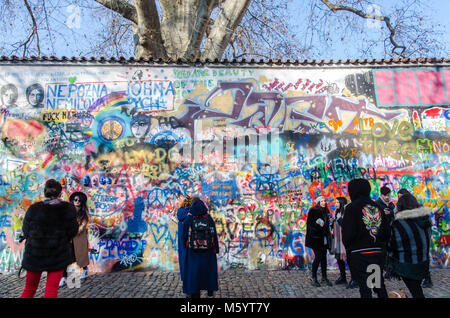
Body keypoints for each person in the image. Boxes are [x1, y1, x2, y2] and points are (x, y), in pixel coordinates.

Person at [19, 179, 78, 298]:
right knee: (51, 292)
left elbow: (26, 231)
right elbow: (73, 231)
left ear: (44, 192)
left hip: (34, 255)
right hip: (57, 255)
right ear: (60, 193)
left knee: (29, 290)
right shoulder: (68, 209)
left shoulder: (33, 209)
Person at [342, 178, 390, 298]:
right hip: (377, 253)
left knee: (365, 288)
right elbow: (386, 232)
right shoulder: (377, 206)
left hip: (359, 254)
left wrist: (349, 248)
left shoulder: (351, 208)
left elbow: (348, 234)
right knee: (378, 285)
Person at [387, 190, 432, 298]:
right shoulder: (426, 220)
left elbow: (392, 244)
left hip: (408, 265)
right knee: (417, 290)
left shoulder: (399, 224)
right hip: (423, 263)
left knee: (417, 292)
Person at [182, 198, 219, 298]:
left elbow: (183, 236)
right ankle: (210, 293)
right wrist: (216, 249)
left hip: (192, 252)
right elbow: (214, 234)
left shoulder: (189, 219)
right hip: (208, 252)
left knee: (194, 272)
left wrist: (186, 246)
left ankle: (194, 293)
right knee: (209, 272)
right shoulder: (209, 218)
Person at [60, 192, 91, 286]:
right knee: (65, 258)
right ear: (72, 201)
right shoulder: (68, 212)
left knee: (81, 256)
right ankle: (64, 277)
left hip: (79, 237)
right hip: (68, 238)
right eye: (75, 200)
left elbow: (83, 225)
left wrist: (75, 231)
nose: (77, 202)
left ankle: (85, 270)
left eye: (79, 200)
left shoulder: (83, 213)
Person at [305, 196, 333, 287]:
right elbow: (309, 224)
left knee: (323, 257)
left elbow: (327, 225)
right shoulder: (313, 210)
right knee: (318, 257)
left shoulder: (326, 211)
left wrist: (331, 222)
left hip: (324, 238)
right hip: (315, 238)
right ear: (317, 202)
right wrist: (317, 225)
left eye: (324, 201)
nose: (324, 202)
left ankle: (324, 277)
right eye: (321, 201)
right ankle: (314, 277)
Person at [375, 185, 396, 280]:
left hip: (391, 232)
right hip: (382, 233)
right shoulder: (377, 204)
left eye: (388, 195)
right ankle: (383, 271)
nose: (387, 197)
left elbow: (395, 215)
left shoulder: (391, 204)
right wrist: (382, 213)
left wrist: (391, 212)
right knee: (382, 253)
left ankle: (389, 271)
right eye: (385, 195)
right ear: (381, 195)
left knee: (391, 251)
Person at [177, 195, 193, 284]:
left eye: (179, 200)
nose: (177, 202)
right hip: (191, 241)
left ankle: (185, 277)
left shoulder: (180, 213)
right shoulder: (191, 212)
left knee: (183, 259)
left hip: (183, 241)